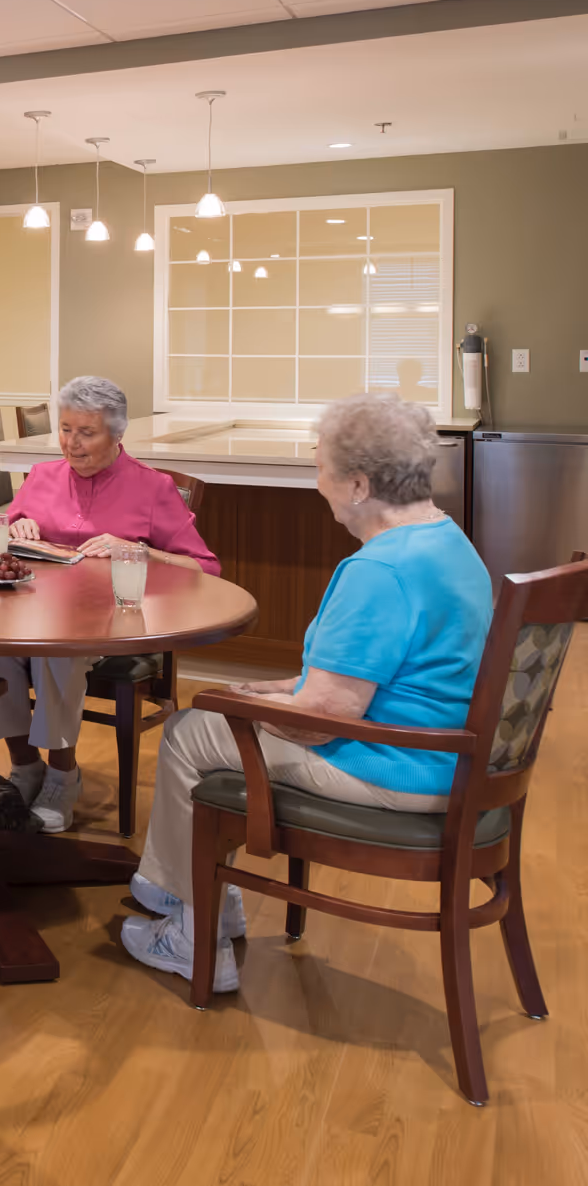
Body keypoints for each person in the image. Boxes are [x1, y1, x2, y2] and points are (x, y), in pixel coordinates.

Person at [120, 393, 491, 991]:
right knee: (221, 717)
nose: (317, 481)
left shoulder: (378, 572)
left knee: (190, 732)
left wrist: (243, 706)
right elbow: (364, 678)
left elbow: (321, 720)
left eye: (322, 468)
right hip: (448, 757)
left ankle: (193, 935)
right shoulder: (449, 543)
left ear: (360, 485)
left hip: (395, 768)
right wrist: (268, 691)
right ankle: (211, 898)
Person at [0, 376, 220, 832]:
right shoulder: (43, 476)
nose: (72, 444)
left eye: (86, 433)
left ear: (117, 434)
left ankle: (62, 774)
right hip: (36, 610)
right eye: (66, 429)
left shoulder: (154, 488)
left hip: (115, 621)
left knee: (58, 651)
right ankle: (26, 765)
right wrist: (19, 525)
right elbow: (5, 524)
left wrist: (138, 550)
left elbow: (204, 569)